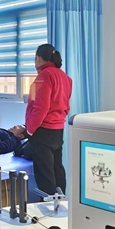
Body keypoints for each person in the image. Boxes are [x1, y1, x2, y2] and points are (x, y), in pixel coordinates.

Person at [25, 44, 72, 196]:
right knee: (57, 168)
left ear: (38, 58)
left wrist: (30, 129)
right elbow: (65, 105)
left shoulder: (44, 76)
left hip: (43, 130)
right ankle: (61, 201)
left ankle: (48, 206)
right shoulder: (65, 77)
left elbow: (41, 107)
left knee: (45, 173)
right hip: (58, 130)